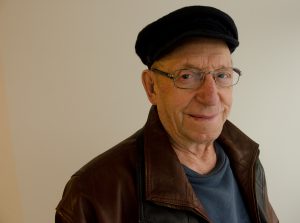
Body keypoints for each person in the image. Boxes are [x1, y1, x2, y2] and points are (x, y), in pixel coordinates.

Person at [55, 6, 279, 223]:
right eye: (187, 76)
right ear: (151, 87)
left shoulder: (247, 160)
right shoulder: (92, 194)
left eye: (222, 75)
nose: (211, 96)